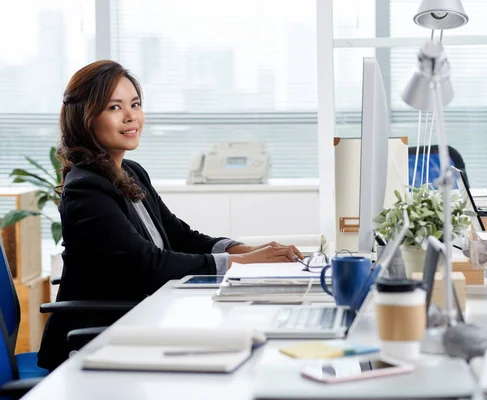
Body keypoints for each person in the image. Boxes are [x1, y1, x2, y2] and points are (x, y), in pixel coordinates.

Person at [38, 60, 303, 371]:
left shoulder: (130, 172)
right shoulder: (86, 189)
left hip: (138, 324)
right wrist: (240, 264)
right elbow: (148, 263)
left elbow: (179, 236)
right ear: (84, 118)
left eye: (135, 104)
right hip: (96, 341)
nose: (130, 116)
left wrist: (246, 250)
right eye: (114, 107)